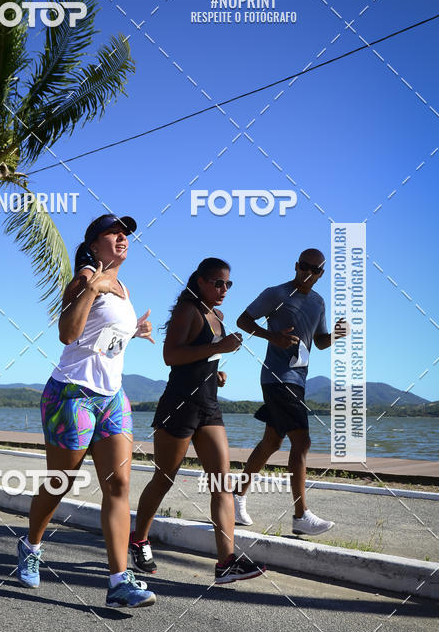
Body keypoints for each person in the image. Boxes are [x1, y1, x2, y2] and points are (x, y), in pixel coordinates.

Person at [16, 214, 157, 608]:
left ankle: (119, 582)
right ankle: (30, 546)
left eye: (126, 233)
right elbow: (68, 333)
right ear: (94, 244)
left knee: (119, 485)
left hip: (112, 396)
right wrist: (93, 287)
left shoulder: (124, 288)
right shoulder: (84, 278)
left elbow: (101, 341)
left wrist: (134, 332)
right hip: (71, 393)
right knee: (60, 481)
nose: (123, 238)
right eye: (114, 233)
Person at [130, 258, 265, 584]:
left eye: (228, 284)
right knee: (164, 478)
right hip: (179, 405)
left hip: (208, 406)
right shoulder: (187, 311)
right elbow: (171, 356)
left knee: (222, 484)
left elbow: (201, 356)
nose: (224, 289)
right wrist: (220, 348)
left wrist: (214, 372)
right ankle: (139, 539)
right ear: (200, 281)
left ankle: (226, 562)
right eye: (218, 283)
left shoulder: (217, 317)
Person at [235, 248, 348, 535]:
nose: (308, 272)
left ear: (321, 274)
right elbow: (243, 320)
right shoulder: (276, 294)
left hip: (298, 380)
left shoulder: (318, 302)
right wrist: (271, 336)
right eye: (304, 266)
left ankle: (236, 497)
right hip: (277, 377)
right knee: (302, 441)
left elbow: (319, 342)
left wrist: (336, 334)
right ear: (296, 265)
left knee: (271, 443)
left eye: (315, 269)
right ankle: (301, 516)